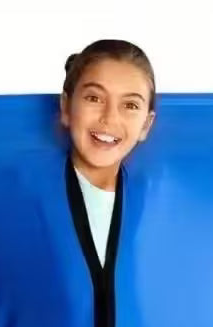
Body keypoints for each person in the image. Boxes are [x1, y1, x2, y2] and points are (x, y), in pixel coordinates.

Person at [58, 39, 157, 267]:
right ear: (66, 107)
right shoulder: (26, 202)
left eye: (130, 105)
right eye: (94, 98)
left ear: (146, 125)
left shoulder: (158, 212)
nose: (110, 118)